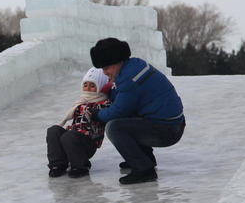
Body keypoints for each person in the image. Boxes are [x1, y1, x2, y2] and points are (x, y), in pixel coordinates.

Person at [88, 37, 185, 185]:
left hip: (167, 130)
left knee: (114, 127)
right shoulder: (135, 65)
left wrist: (97, 114)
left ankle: (143, 169)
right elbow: (126, 99)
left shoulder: (129, 78)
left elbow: (118, 111)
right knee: (130, 118)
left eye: (107, 67)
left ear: (118, 61)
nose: (105, 72)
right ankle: (145, 159)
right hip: (173, 124)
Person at [46, 67, 112, 178]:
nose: (87, 88)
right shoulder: (81, 102)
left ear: (100, 87)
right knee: (54, 130)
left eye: (92, 86)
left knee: (69, 136)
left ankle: (80, 166)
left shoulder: (104, 104)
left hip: (87, 143)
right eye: (85, 85)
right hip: (71, 138)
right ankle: (58, 164)